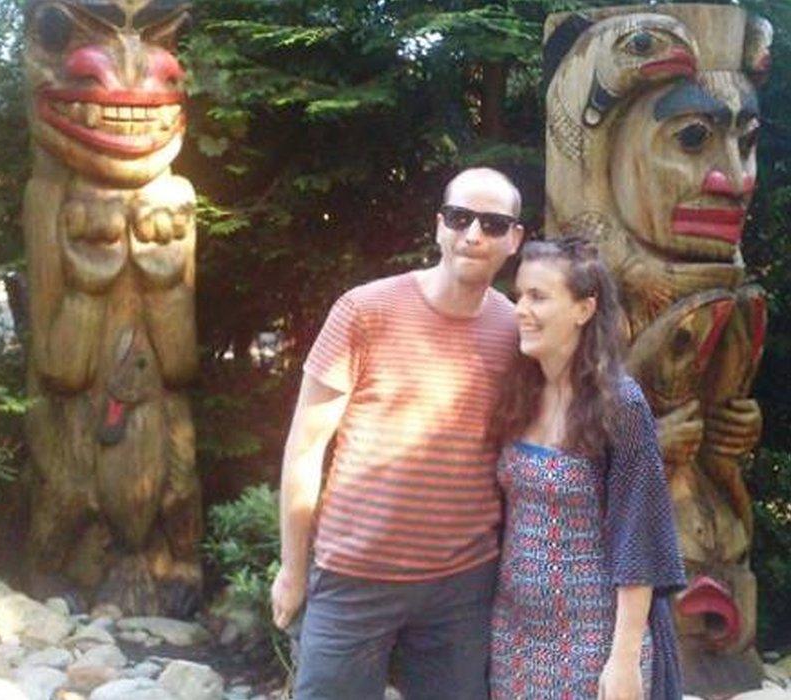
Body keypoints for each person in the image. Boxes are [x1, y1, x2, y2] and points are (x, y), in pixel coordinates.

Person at [270, 167, 525, 699]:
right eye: (460, 218)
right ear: (438, 227)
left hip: (462, 585)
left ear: (514, 239)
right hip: (354, 577)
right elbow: (305, 448)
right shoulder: (363, 310)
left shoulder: (516, 330)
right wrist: (293, 570)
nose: (473, 234)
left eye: (493, 223)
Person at [486, 237, 687, 699]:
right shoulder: (520, 393)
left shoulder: (621, 405)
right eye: (519, 295)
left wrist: (623, 658)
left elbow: (641, 534)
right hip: (513, 634)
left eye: (538, 296)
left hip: (594, 638)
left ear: (583, 309)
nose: (520, 308)